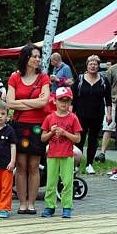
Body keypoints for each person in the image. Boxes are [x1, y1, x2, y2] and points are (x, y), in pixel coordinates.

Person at [6, 44, 50, 215]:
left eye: (39, 56)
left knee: (34, 165)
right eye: (34, 56)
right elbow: (9, 103)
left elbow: (44, 102)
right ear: (26, 58)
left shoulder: (43, 78)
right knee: (21, 165)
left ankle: (31, 203)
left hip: (38, 127)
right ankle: (22, 202)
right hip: (19, 125)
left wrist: (21, 102)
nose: (38, 59)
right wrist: (33, 103)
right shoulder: (14, 78)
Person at [40, 86, 82, 218]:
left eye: (67, 100)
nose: (64, 103)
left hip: (67, 155)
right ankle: (50, 206)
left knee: (67, 182)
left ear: (70, 103)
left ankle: (67, 207)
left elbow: (78, 138)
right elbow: (43, 138)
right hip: (52, 155)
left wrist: (65, 133)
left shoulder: (73, 118)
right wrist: (52, 132)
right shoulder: (49, 118)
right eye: (61, 100)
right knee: (51, 182)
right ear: (55, 102)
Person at [72, 55, 112, 174]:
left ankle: (89, 164)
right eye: (91, 64)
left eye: (95, 64)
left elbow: (108, 99)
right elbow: (73, 99)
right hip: (80, 114)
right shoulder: (79, 79)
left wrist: (109, 114)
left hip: (97, 114)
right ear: (87, 65)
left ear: (98, 66)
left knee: (93, 140)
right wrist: (70, 114)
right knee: (79, 139)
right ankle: (77, 164)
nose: (93, 66)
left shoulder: (104, 81)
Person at [99, 52, 117, 163]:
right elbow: (106, 85)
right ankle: (102, 153)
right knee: (108, 127)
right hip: (113, 101)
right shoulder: (112, 69)